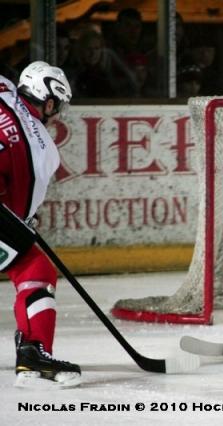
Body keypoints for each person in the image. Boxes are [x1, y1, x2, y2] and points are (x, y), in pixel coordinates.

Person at [0, 61, 81, 387]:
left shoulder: (3, 86)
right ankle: (34, 352)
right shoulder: (43, 148)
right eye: (57, 106)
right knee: (35, 269)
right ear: (49, 102)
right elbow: (18, 217)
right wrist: (26, 219)